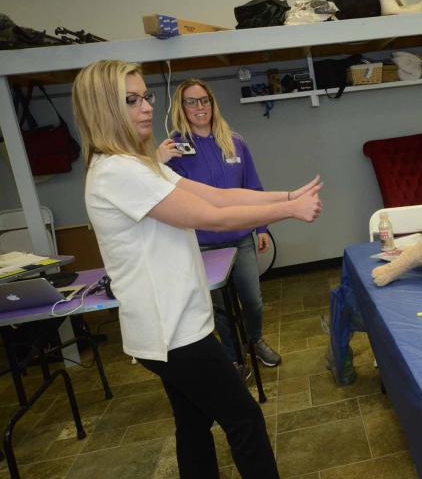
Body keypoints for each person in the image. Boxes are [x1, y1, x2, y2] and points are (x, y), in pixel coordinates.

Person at [73, 59, 323, 478]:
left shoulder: (136, 165)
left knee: (192, 424)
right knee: (244, 419)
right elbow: (209, 216)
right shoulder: (117, 171)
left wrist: (286, 194)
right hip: (172, 332)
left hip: (173, 326)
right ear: (104, 109)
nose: (147, 107)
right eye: (130, 100)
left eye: (146, 97)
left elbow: (218, 196)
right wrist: (290, 210)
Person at [158, 79, 280, 375]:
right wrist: (157, 162)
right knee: (221, 309)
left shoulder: (234, 141)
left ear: (212, 104)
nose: (199, 107)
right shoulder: (174, 148)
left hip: (241, 238)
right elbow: (159, 192)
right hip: (203, 244)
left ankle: (254, 341)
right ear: (181, 108)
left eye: (204, 101)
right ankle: (234, 356)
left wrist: (261, 226)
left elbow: (252, 186)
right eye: (191, 102)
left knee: (252, 300)